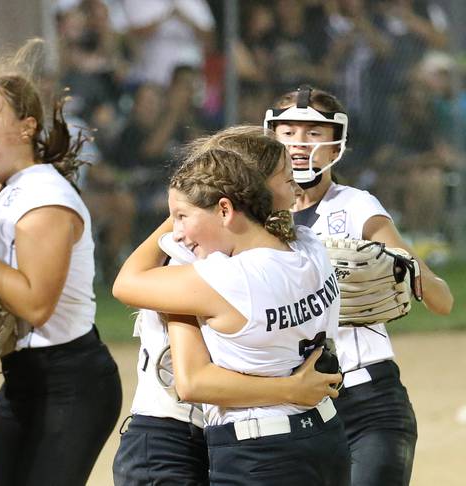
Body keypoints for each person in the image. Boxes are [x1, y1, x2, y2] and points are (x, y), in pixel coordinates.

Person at [0, 39, 123, 486]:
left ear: (25, 127)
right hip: (25, 380)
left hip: (71, 382)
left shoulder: (43, 198)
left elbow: (36, 304)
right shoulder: (2, 195)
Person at [113, 147, 350, 485]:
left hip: (256, 453)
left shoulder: (221, 277)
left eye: (181, 216)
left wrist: (188, 204)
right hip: (323, 437)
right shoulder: (309, 245)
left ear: (226, 207)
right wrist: (192, 200)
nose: (175, 233)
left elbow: (127, 283)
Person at [265, 85, 454, 486]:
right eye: (289, 132)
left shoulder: (354, 206)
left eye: (313, 133)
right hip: (285, 407)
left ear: (335, 147)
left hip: (366, 399)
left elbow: (442, 301)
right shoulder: (251, 220)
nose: (299, 143)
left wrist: (402, 271)